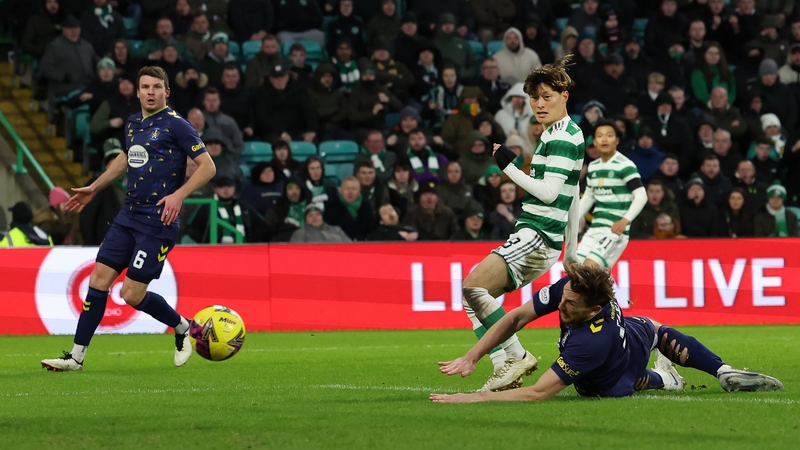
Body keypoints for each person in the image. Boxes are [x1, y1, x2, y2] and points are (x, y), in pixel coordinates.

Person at [41, 66, 217, 372]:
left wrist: (179, 195)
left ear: (166, 92)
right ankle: (76, 357)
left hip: (158, 221)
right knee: (98, 279)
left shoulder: (177, 125)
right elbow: (125, 158)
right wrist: (95, 187)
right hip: (129, 215)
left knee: (131, 294)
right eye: (145, 87)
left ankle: (182, 326)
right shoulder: (134, 123)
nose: (150, 92)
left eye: (156, 87)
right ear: (137, 92)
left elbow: (207, 166)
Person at [431, 264, 784, 403]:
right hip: (629, 335)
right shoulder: (573, 289)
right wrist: (473, 355)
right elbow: (515, 318)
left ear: (593, 310)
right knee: (655, 327)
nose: (562, 307)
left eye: (570, 306)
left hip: (606, 378)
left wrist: (472, 398)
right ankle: (719, 370)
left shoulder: (587, 344)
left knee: (633, 379)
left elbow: (537, 393)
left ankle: (672, 378)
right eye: (563, 299)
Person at [457, 56, 584, 393]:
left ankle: (516, 357)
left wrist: (508, 168)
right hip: (540, 236)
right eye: (534, 97)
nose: (539, 104)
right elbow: (573, 193)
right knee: (472, 297)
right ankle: (506, 363)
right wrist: (571, 250)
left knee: (472, 287)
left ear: (565, 96)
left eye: (547, 96)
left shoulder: (563, 137)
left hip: (538, 234)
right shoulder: (559, 133)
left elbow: (549, 192)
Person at [577, 119, 645, 269]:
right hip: (594, 229)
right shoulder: (593, 167)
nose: (604, 139)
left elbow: (641, 196)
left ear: (617, 140)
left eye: (609, 135)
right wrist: (573, 221)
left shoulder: (625, 165)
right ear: (594, 141)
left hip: (614, 231)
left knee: (589, 269)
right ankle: (606, 290)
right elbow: (589, 197)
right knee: (575, 269)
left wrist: (624, 221)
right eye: (600, 136)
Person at [186, 177, 266, 243]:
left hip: (242, 249)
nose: (226, 190)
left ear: (234, 189)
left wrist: (250, 241)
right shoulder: (207, 207)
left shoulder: (243, 207)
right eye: (221, 187)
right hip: (215, 250)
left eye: (229, 186)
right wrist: (207, 242)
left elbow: (261, 225)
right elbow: (192, 229)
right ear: (215, 189)